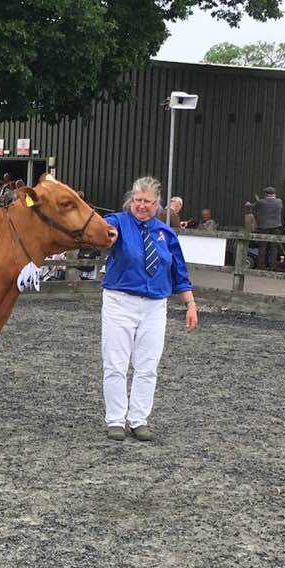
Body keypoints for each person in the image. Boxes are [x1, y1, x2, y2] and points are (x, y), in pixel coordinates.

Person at [101, 176, 198, 442]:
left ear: (157, 204)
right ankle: (116, 420)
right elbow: (104, 232)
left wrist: (190, 304)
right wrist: (108, 235)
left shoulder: (167, 234)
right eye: (137, 200)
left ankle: (139, 419)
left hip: (155, 305)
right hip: (120, 300)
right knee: (116, 363)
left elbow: (179, 274)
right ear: (131, 200)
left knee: (148, 365)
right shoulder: (118, 222)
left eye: (147, 201)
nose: (141, 205)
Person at [253, 186, 283, 270]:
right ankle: (273, 266)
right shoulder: (279, 201)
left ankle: (261, 266)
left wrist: (258, 201)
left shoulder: (261, 202)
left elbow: (255, 208)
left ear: (266, 194)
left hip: (264, 227)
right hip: (276, 226)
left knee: (262, 247)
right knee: (274, 247)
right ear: (274, 194)